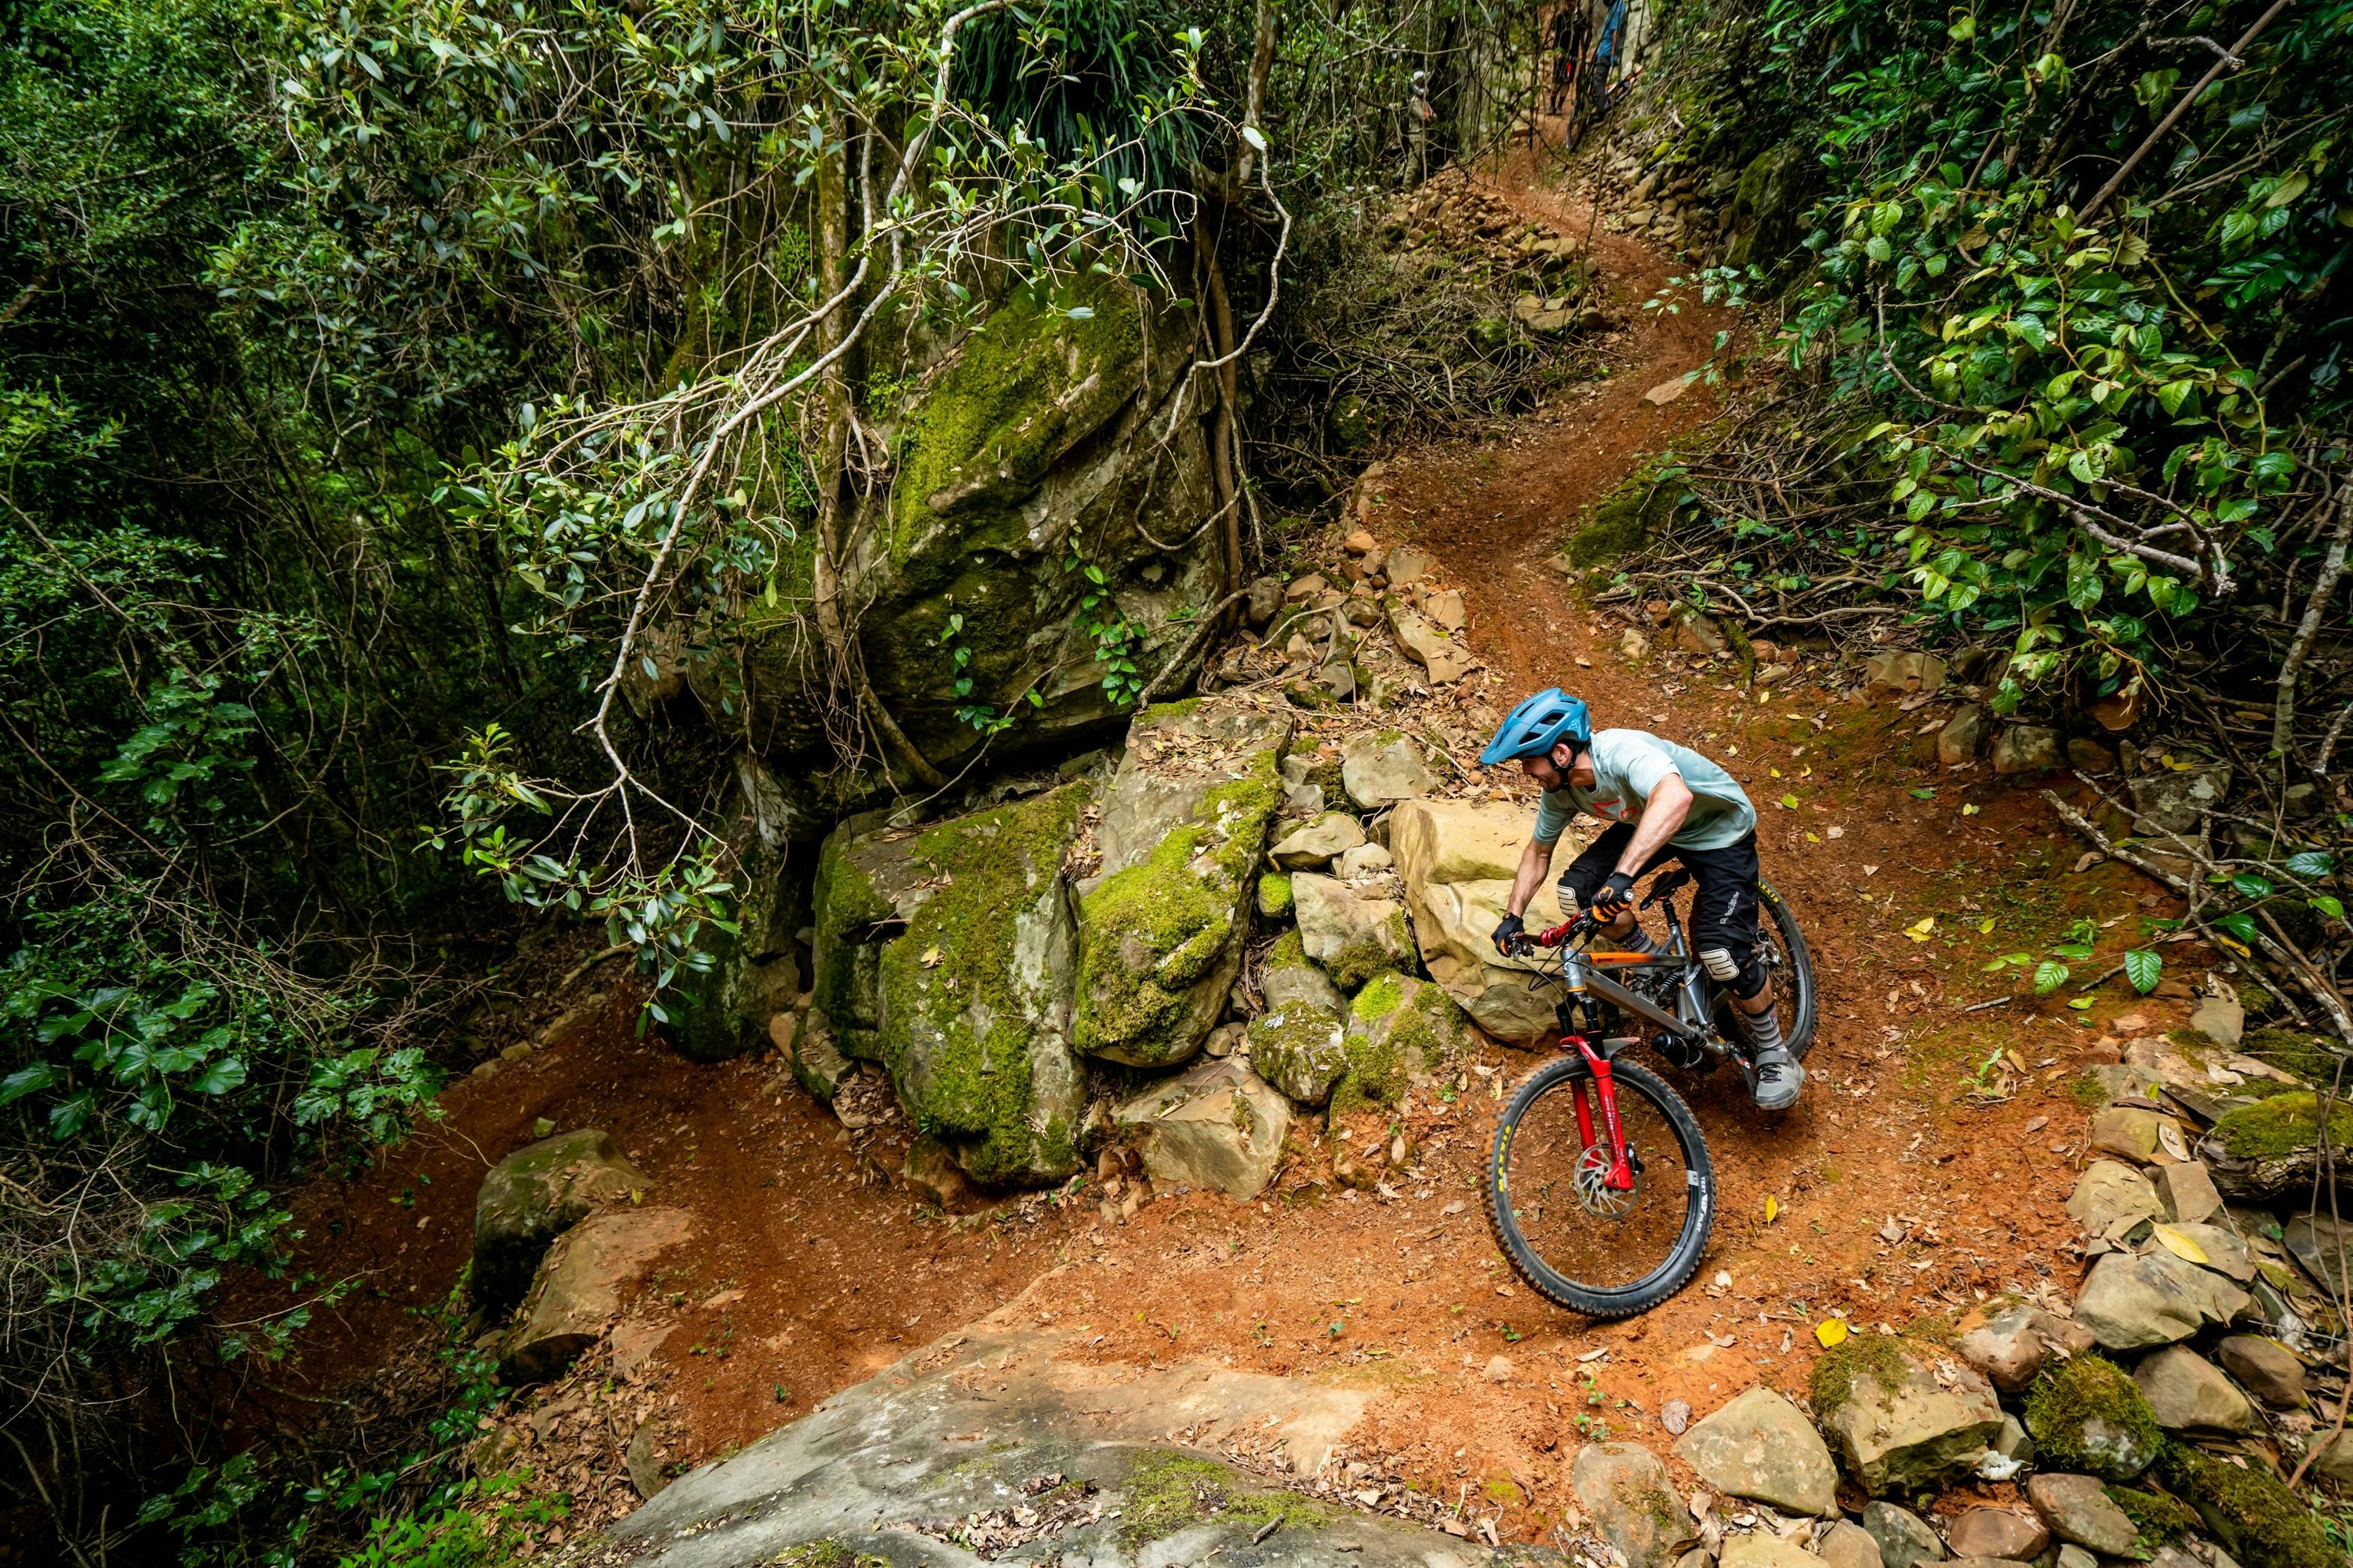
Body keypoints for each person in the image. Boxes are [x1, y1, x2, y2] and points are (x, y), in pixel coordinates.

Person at [1479, 687, 1802, 1111]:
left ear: (1560, 753)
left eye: (1529, 762)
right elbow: (1539, 851)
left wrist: (1623, 875)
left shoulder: (1622, 752)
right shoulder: (1561, 791)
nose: (1526, 773)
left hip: (1718, 830)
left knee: (1721, 953)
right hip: (1651, 822)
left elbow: (1675, 797)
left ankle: (1775, 1050)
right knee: (1575, 893)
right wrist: (1512, 916)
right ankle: (1650, 962)